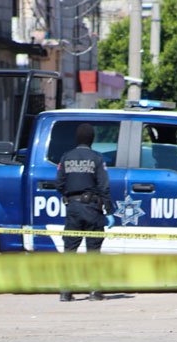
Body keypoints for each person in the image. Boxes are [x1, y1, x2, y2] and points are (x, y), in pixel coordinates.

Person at [55, 123, 115, 302]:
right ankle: (94, 291)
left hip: (73, 208)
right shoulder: (97, 158)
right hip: (92, 209)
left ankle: (65, 292)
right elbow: (103, 185)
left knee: (70, 249)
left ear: (77, 139)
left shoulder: (66, 157)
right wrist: (109, 209)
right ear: (92, 139)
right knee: (93, 250)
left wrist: (69, 196)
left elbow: (59, 183)